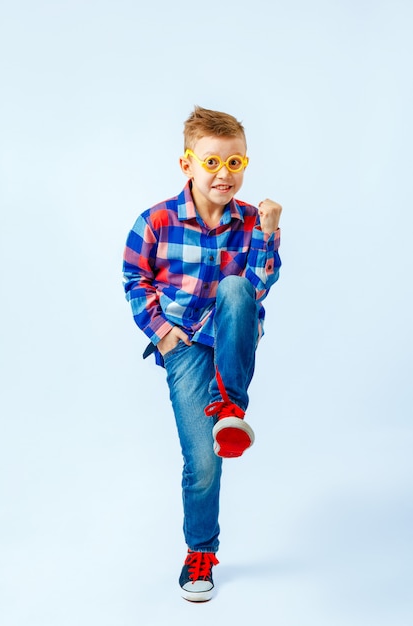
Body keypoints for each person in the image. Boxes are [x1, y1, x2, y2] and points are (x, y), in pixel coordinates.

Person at [122, 106, 282, 602]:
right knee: (203, 461)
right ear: (187, 164)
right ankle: (201, 552)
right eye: (212, 162)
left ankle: (231, 406)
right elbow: (134, 280)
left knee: (235, 288)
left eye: (235, 164)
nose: (223, 175)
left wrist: (270, 234)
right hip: (185, 344)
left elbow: (259, 286)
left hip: (232, 335)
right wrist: (166, 337)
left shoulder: (254, 219)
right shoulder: (155, 221)